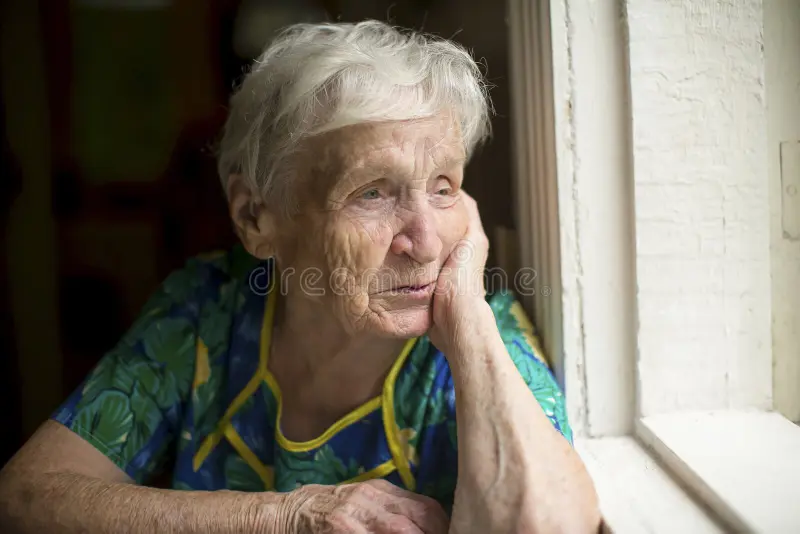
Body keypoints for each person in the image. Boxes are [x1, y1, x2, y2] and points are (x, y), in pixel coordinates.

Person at [0, 20, 601, 533]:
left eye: (443, 188)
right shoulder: (207, 310)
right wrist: (286, 516)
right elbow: (23, 497)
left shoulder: (478, 336)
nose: (425, 241)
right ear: (254, 216)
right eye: (373, 193)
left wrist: (468, 318)